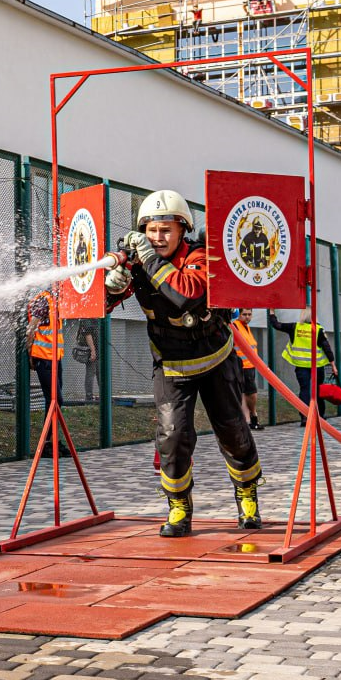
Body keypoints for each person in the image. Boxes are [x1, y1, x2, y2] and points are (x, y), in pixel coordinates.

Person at [102, 189, 262, 538]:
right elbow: (97, 306)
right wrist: (111, 290)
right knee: (173, 439)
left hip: (216, 359)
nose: (157, 238)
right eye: (151, 231)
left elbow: (186, 294)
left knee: (234, 431)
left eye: (165, 231)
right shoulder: (141, 261)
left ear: (181, 230)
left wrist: (148, 259)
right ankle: (178, 507)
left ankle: (247, 494)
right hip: (172, 364)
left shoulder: (200, 256)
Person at [268, 308, 337, 419]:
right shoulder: (318, 329)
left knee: (304, 390)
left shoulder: (295, 327)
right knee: (318, 390)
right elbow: (326, 348)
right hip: (317, 366)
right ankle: (320, 416)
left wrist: (271, 312)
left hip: (301, 366)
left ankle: (305, 417)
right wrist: (333, 365)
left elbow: (276, 325)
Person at [26, 288, 69, 457]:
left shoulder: (54, 301)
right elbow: (31, 329)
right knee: (56, 399)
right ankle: (46, 444)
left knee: (55, 402)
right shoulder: (44, 301)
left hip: (54, 358)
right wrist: (30, 354)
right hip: (44, 358)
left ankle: (52, 442)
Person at [231, 309, 263, 431]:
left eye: (249, 315)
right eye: (244, 314)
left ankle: (251, 418)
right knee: (246, 393)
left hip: (249, 366)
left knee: (249, 394)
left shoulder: (246, 328)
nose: (247, 317)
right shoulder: (235, 326)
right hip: (241, 366)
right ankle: (249, 419)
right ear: (239, 315)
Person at [76, 318, 99, 403]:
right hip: (92, 350)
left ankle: (103, 395)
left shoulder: (98, 316)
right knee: (91, 372)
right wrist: (93, 350)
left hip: (99, 349)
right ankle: (89, 397)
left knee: (100, 373)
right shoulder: (86, 318)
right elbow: (87, 334)